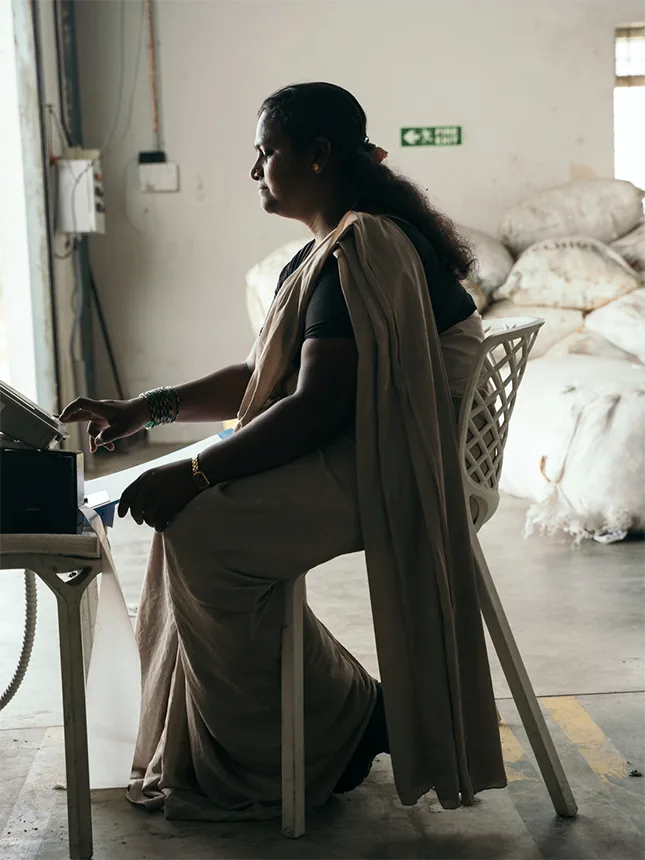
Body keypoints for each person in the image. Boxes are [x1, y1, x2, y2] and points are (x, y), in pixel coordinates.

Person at [60, 82, 506, 822]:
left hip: (399, 470)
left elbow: (315, 406)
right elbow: (270, 375)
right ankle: (349, 714)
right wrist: (145, 411)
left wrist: (195, 467)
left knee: (204, 531)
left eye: (266, 151)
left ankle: (326, 733)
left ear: (319, 156)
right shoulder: (332, 249)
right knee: (195, 520)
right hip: (377, 452)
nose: (254, 168)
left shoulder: (364, 248)